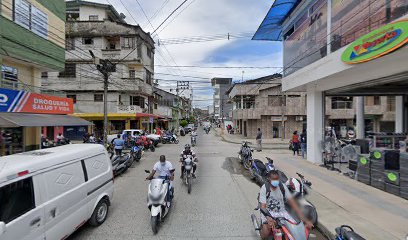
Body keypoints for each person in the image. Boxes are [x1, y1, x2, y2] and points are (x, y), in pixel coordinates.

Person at [259, 170, 314, 239]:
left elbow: (294, 205)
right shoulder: (264, 188)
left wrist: (305, 220)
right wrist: (268, 218)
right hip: (268, 213)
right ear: (269, 179)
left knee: (295, 229)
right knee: (266, 231)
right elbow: (263, 207)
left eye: (277, 179)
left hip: (282, 212)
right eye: (274, 179)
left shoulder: (283, 187)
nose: (276, 181)